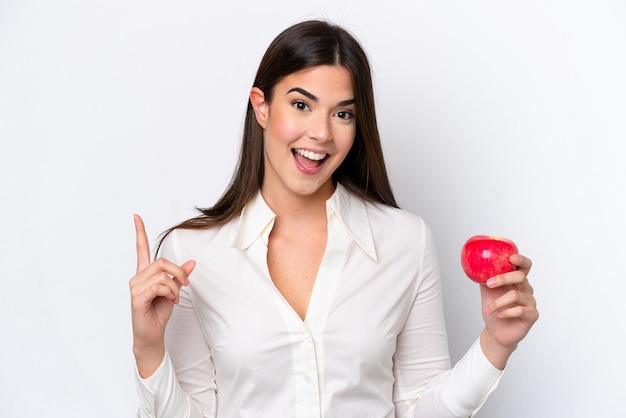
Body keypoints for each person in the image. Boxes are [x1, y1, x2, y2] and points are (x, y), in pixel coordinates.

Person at [129, 20, 539, 418]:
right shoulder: (194, 254)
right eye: (301, 105)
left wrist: (495, 344)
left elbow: (419, 408)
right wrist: (148, 350)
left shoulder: (405, 241)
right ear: (262, 107)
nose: (321, 133)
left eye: (343, 114)